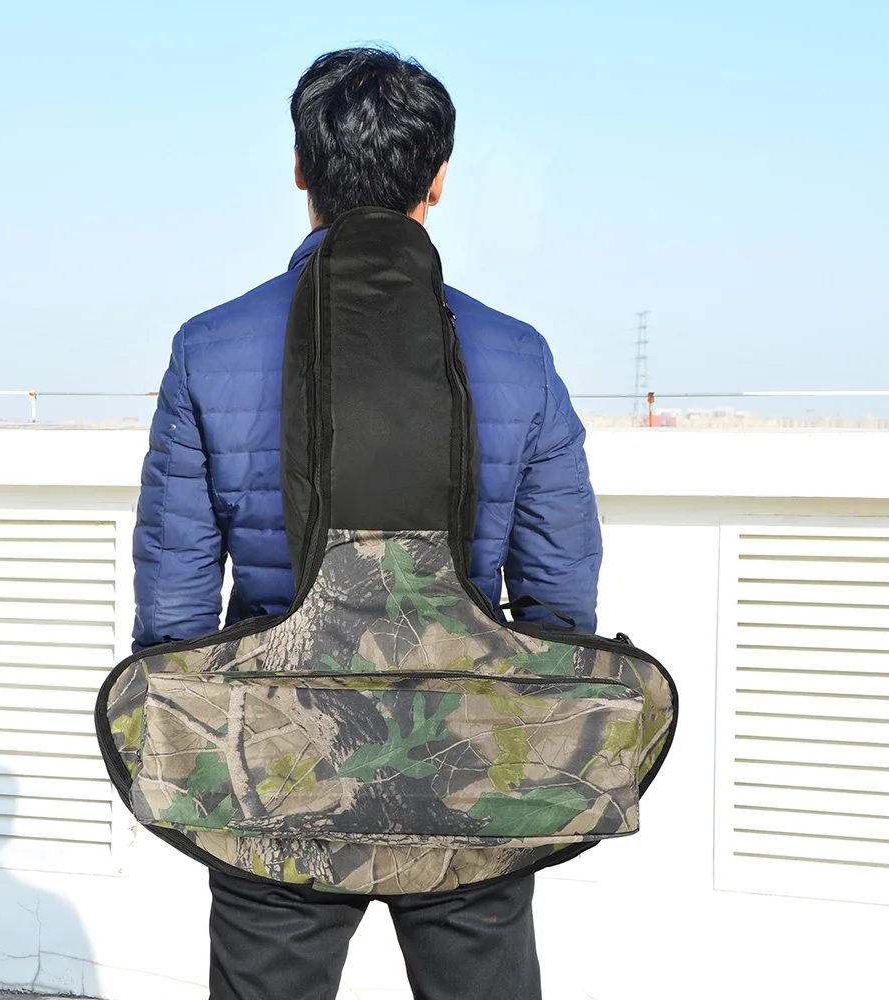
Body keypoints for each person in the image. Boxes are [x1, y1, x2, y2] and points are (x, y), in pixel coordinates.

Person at [131, 46, 602, 1000]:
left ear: (300, 170)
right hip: (468, 766)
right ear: (439, 179)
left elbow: (174, 619)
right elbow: (559, 602)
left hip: (275, 768)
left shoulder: (208, 348)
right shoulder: (518, 354)